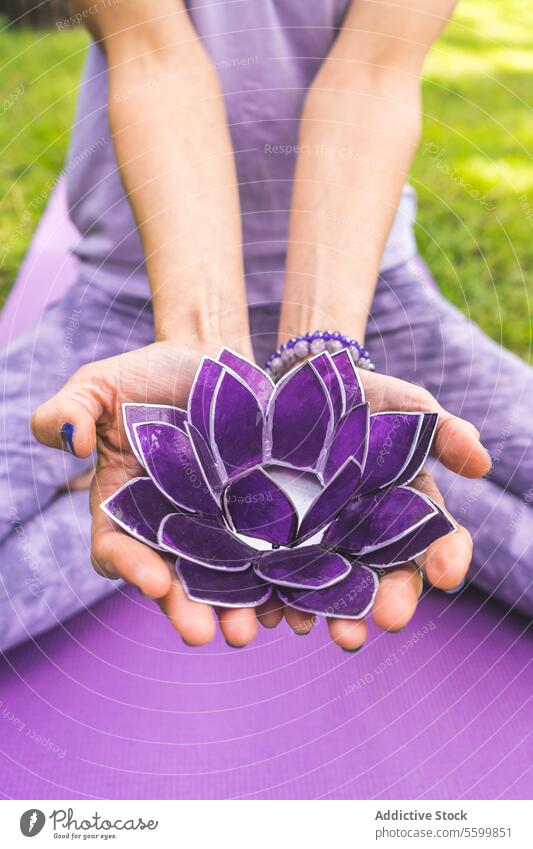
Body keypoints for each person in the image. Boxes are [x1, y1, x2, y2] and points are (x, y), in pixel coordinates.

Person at [1, 0, 530, 654]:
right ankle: (142, 491)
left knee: (465, 471)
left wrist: (323, 368)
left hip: (372, 299)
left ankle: (154, 490)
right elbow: (153, 52)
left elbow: (370, 72)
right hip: (134, 301)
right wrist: (202, 347)